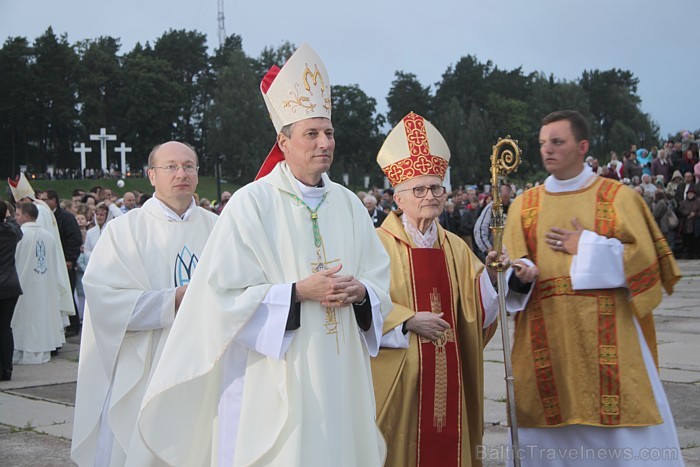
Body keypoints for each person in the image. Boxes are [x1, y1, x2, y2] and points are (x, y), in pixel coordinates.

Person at [139, 43, 392, 466]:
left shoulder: (349, 204)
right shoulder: (251, 204)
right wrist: (295, 292)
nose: (323, 142)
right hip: (279, 371)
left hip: (342, 367)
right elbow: (220, 295)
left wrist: (362, 291)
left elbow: (379, 280)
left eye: (328, 132)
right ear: (284, 140)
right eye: (311, 133)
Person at [503, 110, 683, 466]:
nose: (547, 150)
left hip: (610, 337)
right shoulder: (524, 205)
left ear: (582, 146)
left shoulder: (617, 197)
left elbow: (646, 262)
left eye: (557, 142)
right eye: (542, 143)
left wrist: (584, 246)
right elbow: (510, 269)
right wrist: (518, 276)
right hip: (546, 337)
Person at [371, 112, 537, 466]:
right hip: (401, 386)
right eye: (419, 189)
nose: (429, 195)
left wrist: (496, 277)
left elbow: (477, 312)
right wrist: (406, 321)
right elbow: (361, 308)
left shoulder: (456, 248)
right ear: (397, 198)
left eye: (436, 187)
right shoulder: (375, 247)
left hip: (450, 378)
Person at [70, 141, 218, 466]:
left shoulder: (219, 229)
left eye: (189, 166)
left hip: (207, 364)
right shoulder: (125, 231)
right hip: (147, 365)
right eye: (171, 167)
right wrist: (172, 300)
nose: (182, 173)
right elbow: (104, 299)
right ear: (152, 175)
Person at [12, 202, 66, 364]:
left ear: (27, 216)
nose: (16, 218)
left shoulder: (19, 234)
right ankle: (40, 351)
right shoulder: (48, 236)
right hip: (44, 284)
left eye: (18, 214)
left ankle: (22, 352)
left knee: (24, 318)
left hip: (24, 283)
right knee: (41, 317)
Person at [40, 189, 82, 336]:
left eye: (45, 200)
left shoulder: (66, 218)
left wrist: (70, 258)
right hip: (53, 263)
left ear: (53, 200)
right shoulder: (44, 216)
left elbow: (74, 239)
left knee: (68, 293)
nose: (42, 203)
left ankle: (73, 324)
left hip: (65, 262)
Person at [0, 201, 23, 381]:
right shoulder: (12, 232)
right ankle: (7, 368)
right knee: (5, 328)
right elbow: (16, 225)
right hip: (10, 284)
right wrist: (8, 214)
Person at [473, 183, 512, 261]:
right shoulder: (492, 207)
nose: (505, 197)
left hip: (511, 254)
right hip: (495, 254)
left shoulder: (513, 206)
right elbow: (479, 229)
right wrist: (489, 249)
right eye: (503, 194)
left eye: (507, 193)